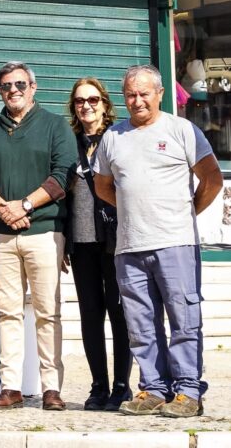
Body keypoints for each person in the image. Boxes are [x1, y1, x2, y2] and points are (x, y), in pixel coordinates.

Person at [95, 64, 223, 418]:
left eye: (144, 94)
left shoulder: (182, 129)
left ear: (160, 94)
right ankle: (153, 388)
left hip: (175, 243)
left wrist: (187, 212)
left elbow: (212, 179)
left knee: (184, 318)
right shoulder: (113, 137)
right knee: (140, 323)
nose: (137, 101)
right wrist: (135, 208)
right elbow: (102, 186)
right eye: (130, 95)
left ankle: (187, 392)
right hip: (130, 245)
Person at [0, 61, 77, 411]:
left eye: (19, 84)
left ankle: (51, 389)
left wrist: (25, 206)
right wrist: (4, 209)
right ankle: (11, 387)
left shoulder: (54, 126)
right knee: (8, 314)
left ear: (33, 87)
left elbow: (63, 176)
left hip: (44, 233)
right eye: (5, 86)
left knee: (48, 313)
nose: (12, 90)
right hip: (1, 237)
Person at [65, 78, 132, 411]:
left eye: (93, 99)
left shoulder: (118, 138)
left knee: (119, 314)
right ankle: (98, 387)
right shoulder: (69, 142)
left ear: (104, 103)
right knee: (90, 316)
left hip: (115, 240)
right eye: (80, 101)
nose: (86, 105)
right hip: (81, 242)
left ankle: (122, 387)